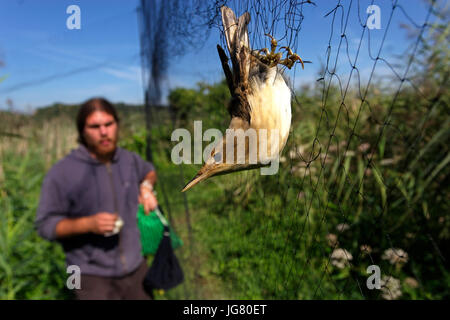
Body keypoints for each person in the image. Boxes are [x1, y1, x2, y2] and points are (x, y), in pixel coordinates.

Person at [35, 97, 158, 300]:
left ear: (117, 124)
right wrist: (87, 224)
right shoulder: (62, 172)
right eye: (95, 126)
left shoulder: (129, 159)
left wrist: (146, 187)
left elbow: (149, 171)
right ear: (82, 131)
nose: (104, 132)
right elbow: (45, 225)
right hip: (88, 275)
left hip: (136, 266)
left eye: (109, 124)